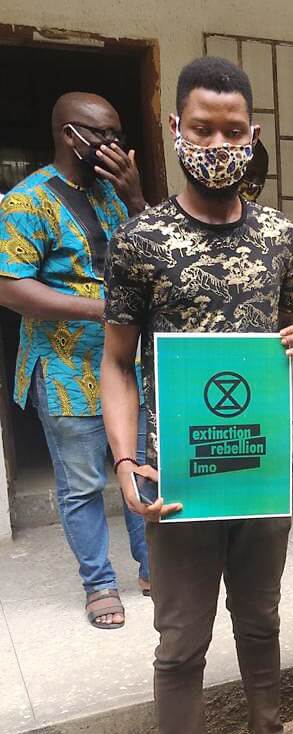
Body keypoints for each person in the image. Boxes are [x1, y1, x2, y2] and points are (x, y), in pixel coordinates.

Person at [101, 57, 293, 734]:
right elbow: (116, 362)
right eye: (203, 129)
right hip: (180, 478)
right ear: (176, 131)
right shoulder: (139, 240)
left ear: (253, 135)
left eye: (234, 131)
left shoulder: (277, 235)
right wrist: (129, 461)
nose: (219, 143)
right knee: (180, 640)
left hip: (257, 468)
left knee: (261, 621)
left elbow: (286, 335)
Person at [0, 92, 150, 629]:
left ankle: (151, 567)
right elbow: (10, 287)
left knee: (143, 470)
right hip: (64, 370)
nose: (113, 145)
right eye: (101, 135)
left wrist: (134, 195)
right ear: (69, 135)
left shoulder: (112, 195)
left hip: (126, 365)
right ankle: (99, 584)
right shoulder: (25, 202)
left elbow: (154, 250)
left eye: (118, 134)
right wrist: (104, 308)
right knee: (83, 483)